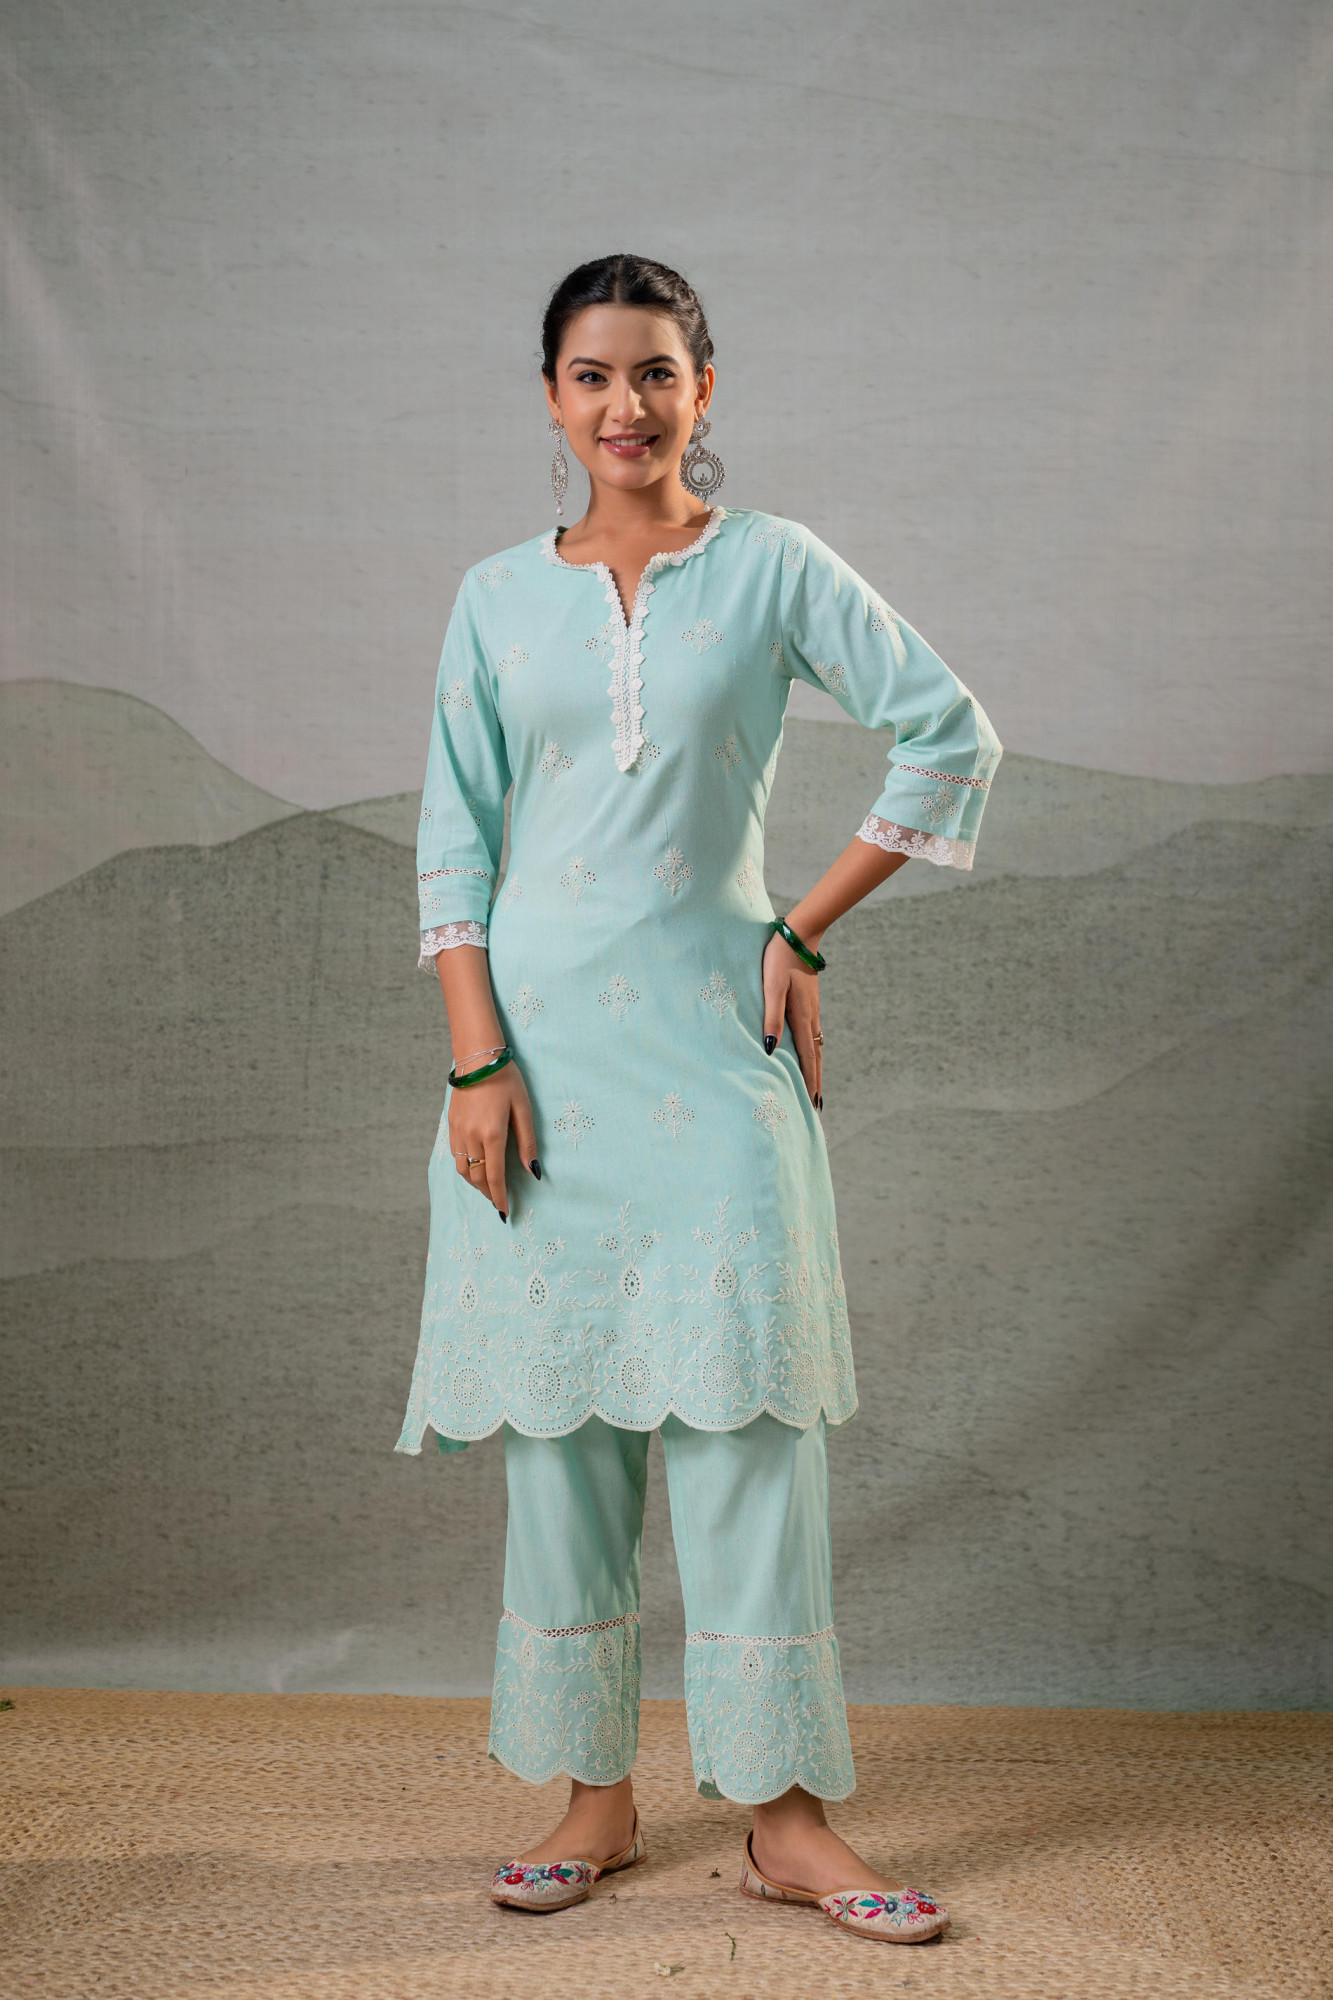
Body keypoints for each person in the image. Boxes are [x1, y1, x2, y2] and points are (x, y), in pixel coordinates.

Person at [394, 254, 1001, 1945]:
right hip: (533, 1072)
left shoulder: (773, 567)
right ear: (550, 398)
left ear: (703, 390)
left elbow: (947, 735)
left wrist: (798, 929)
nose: (626, 406)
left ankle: (786, 1824)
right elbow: (451, 839)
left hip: (712, 1068)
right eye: (593, 375)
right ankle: (590, 1799)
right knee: (560, 1447)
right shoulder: (493, 599)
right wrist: (474, 1059)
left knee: (748, 1438)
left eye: (656, 373)